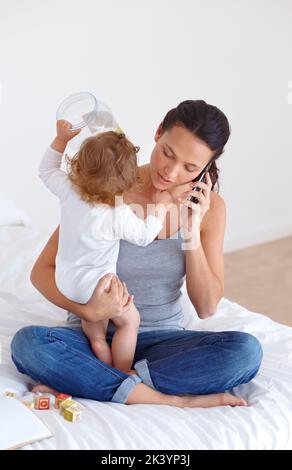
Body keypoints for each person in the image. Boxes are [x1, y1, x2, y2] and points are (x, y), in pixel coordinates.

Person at [11, 100, 263, 408]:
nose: (170, 172)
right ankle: (168, 398)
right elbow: (42, 271)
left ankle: (99, 381)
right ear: (158, 133)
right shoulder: (109, 181)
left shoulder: (210, 209)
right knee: (29, 344)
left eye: (190, 167)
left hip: (161, 343)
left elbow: (207, 306)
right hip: (92, 337)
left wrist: (192, 230)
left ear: (207, 168)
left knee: (245, 353)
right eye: (168, 153)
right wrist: (89, 312)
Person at [38, 121, 173, 374]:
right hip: (97, 286)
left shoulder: (69, 190)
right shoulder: (117, 213)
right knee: (130, 322)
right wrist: (160, 206)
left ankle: (98, 346)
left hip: (66, 281)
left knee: (97, 335)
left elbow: (46, 170)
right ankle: (119, 374)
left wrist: (60, 140)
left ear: (78, 165)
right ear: (126, 184)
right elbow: (144, 236)